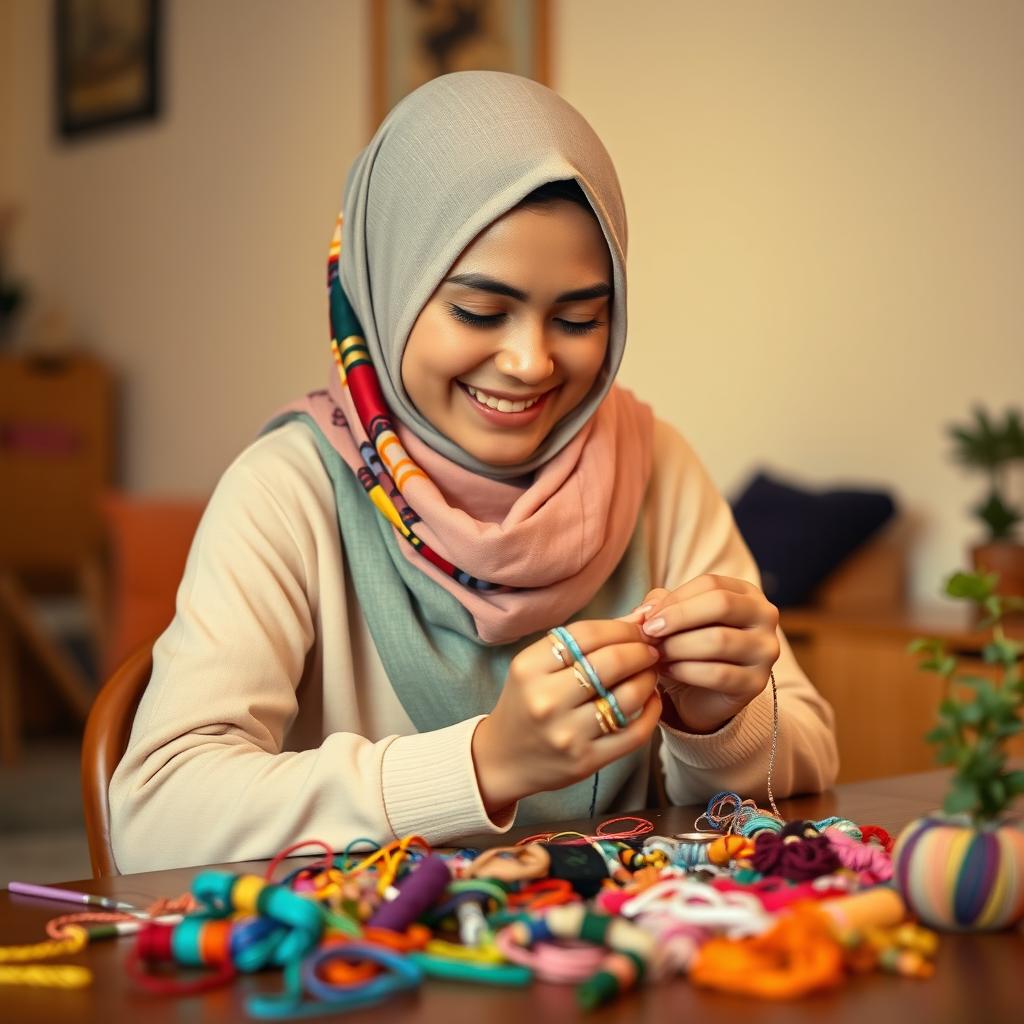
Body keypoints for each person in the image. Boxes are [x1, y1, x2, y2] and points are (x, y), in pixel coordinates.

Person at [109, 71, 837, 874]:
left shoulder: (654, 464)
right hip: (367, 982)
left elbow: (806, 755)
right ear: (387, 289)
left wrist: (718, 723)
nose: (530, 362)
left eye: (579, 318)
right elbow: (152, 816)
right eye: (480, 312)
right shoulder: (289, 489)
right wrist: (483, 766)